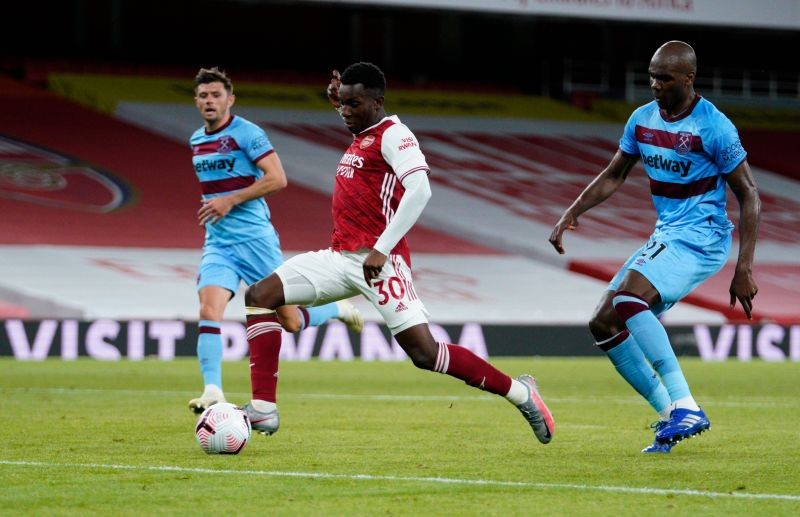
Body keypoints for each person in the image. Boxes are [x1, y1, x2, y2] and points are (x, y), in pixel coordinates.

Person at [240, 62, 555, 442]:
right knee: (260, 295)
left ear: (378, 102)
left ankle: (522, 394)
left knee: (424, 354)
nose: (345, 112)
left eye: (353, 104)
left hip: (381, 263)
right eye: (342, 104)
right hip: (340, 257)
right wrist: (342, 100)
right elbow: (360, 125)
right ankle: (264, 409)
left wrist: (381, 248)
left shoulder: (396, 134)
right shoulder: (365, 131)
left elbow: (420, 189)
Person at [549, 41, 761, 453]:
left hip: (702, 236)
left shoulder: (714, 127)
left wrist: (744, 268)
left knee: (630, 299)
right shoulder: (642, 119)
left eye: (664, 78)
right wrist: (571, 212)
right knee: (604, 323)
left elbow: (749, 194)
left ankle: (686, 404)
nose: (655, 84)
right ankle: (671, 418)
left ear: (688, 78)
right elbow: (615, 174)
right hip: (668, 233)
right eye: (651, 75)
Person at [187, 67, 364, 414]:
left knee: (291, 321)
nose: (210, 101)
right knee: (209, 309)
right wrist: (218, 204)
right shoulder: (196, 141)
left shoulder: (248, 133)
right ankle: (212, 390)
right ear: (196, 101)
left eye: (216, 95)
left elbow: (278, 178)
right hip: (219, 244)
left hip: (257, 241)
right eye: (204, 96)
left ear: (230, 99)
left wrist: (230, 200)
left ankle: (336, 309)